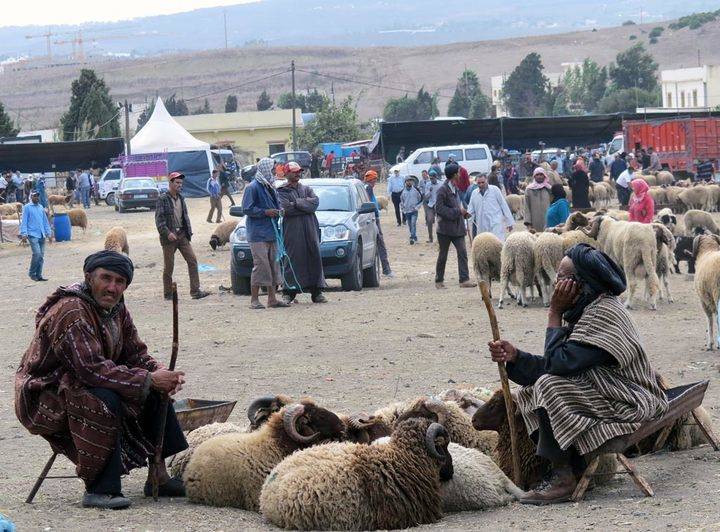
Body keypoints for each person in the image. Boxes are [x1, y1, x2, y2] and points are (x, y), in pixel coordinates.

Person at [488, 244, 667, 504]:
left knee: (549, 387)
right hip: (609, 389)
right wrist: (516, 357)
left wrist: (554, 312)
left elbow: (557, 366)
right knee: (530, 391)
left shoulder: (604, 315)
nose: (557, 283)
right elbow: (559, 364)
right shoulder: (589, 310)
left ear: (581, 284)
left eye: (562, 278)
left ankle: (564, 478)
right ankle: (569, 466)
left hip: (631, 399)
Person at [15, 250, 189, 510]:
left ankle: (158, 476)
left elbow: (135, 353)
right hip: (44, 392)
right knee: (103, 399)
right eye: (105, 278)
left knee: (153, 392)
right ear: (89, 277)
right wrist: (149, 379)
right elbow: (89, 369)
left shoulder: (116, 307)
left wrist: (160, 372)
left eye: (119, 282)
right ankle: (99, 489)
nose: (112, 287)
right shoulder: (71, 311)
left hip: (81, 380)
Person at [241, 158, 291, 309]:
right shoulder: (253, 187)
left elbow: (276, 205)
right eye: (272, 169)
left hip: (271, 232)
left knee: (273, 265)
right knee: (261, 265)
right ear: (265, 170)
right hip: (258, 234)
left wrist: (279, 211)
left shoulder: (270, 186)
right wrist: (265, 212)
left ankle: (272, 299)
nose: (275, 172)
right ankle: (254, 300)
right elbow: (247, 209)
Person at [277, 161, 327, 304]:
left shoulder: (307, 189)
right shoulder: (281, 191)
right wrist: (304, 204)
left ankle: (317, 292)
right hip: (292, 231)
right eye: (294, 171)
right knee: (293, 258)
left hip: (310, 228)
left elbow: (314, 204)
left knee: (314, 256)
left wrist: (297, 203)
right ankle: (288, 292)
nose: (298, 173)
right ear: (286, 174)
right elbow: (286, 209)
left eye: (299, 171)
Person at [155, 172, 210, 301]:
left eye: (181, 183)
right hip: (169, 238)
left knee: (192, 260)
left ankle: (195, 292)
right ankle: (168, 294)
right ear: (170, 183)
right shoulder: (163, 199)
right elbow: (159, 220)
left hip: (182, 235)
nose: (180, 185)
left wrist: (187, 232)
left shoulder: (181, 198)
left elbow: (185, 217)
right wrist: (168, 233)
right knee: (169, 267)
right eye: (177, 183)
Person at [434, 162, 476, 289]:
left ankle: (464, 280)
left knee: (462, 252)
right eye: (458, 172)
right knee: (443, 255)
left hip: (457, 228)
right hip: (445, 230)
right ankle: (439, 280)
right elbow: (439, 209)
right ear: (453, 175)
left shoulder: (455, 188)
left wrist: (464, 213)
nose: (460, 174)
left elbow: (456, 206)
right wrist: (458, 211)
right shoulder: (442, 190)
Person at [363, 170, 393, 277]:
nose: (375, 182)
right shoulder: (368, 189)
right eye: (374, 179)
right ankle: (386, 269)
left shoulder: (365, 188)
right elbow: (369, 204)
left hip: (371, 218)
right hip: (373, 219)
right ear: (371, 180)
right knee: (380, 244)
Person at [467, 174, 514, 241]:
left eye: (483, 182)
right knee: (485, 247)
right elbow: (470, 211)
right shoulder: (474, 193)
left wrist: (509, 222)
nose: (481, 185)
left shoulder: (495, 190)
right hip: (482, 226)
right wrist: (466, 222)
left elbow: (503, 205)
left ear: (487, 181)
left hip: (496, 224)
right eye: (479, 183)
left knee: (498, 245)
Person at [19, 190, 52, 282]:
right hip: (32, 234)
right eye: (34, 196)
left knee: (41, 256)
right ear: (31, 197)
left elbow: (45, 221)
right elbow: (24, 221)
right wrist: (24, 234)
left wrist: (49, 233)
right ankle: (32, 273)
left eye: (37, 196)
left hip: (41, 234)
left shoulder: (41, 207)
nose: (36, 197)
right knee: (37, 254)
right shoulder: (27, 207)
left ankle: (39, 275)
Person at [524, 167, 552, 232]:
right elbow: (526, 207)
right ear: (534, 176)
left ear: (544, 176)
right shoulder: (529, 190)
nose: (539, 176)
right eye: (537, 175)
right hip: (534, 221)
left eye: (541, 174)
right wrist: (528, 223)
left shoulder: (549, 189)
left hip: (548, 221)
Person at [400, 177, 423, 244]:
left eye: (410, 181)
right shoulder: (402, 191)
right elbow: (401, 201)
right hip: (407, 211)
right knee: (410, 225)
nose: (409, 182)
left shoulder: (416, 190)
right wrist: (403, 210)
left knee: (413, 223)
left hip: (414, 211)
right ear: (405, 182)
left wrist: (417, 207)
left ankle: (412, 238)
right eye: (408, 181)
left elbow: (421, 199)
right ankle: (414, 237)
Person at [423, 169, 442, 243]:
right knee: (429, 220)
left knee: (440, 222)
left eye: (432, 178)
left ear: (436, 177)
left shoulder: (441, 184)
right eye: (430, 178)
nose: (431, 180)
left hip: (439, 205)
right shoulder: (428, 184)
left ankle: (440, 238)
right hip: (431, 205)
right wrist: (429, 191)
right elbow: (426, 197)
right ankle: (430, 238)